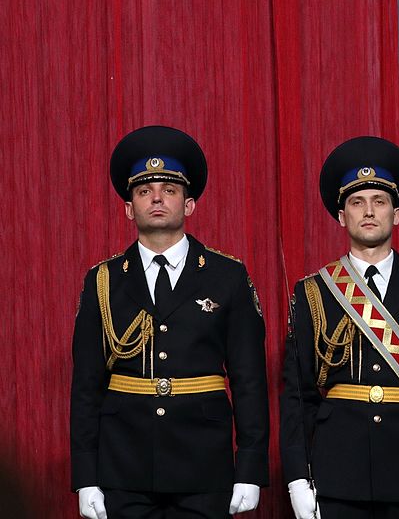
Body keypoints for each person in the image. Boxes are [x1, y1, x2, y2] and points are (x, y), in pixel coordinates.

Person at [71, 125, 269, 518]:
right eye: (144, 191)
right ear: (129, 208)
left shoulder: (226, 276)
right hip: (123, 464)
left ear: (189, 204)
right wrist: (85, 476)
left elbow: (249, 380)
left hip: (204, 465)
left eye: (170, 190)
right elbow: (86, 387)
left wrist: (249, 468)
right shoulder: (103, 280)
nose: (157, 198)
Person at [280, 136, 399, 519]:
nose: (368, 211)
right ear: (341, 216)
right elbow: (297, 397)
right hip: (337, 471)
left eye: (379, 202)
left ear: (396, 215)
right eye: (357, 202)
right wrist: (298, 478)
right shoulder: (314, 291)